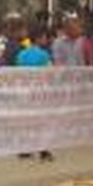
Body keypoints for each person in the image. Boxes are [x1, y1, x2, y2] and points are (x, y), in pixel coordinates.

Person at [16, 27, 55, 162]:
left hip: (25, 90)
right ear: (38, 39)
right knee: (41, 121)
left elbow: (18, 73)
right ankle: (43, 149)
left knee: (26, 120)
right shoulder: (44, 55)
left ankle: (24, 149)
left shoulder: (21, 54)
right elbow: (48, 73)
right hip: (39, 91)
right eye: (43, 37)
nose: (45, 40)